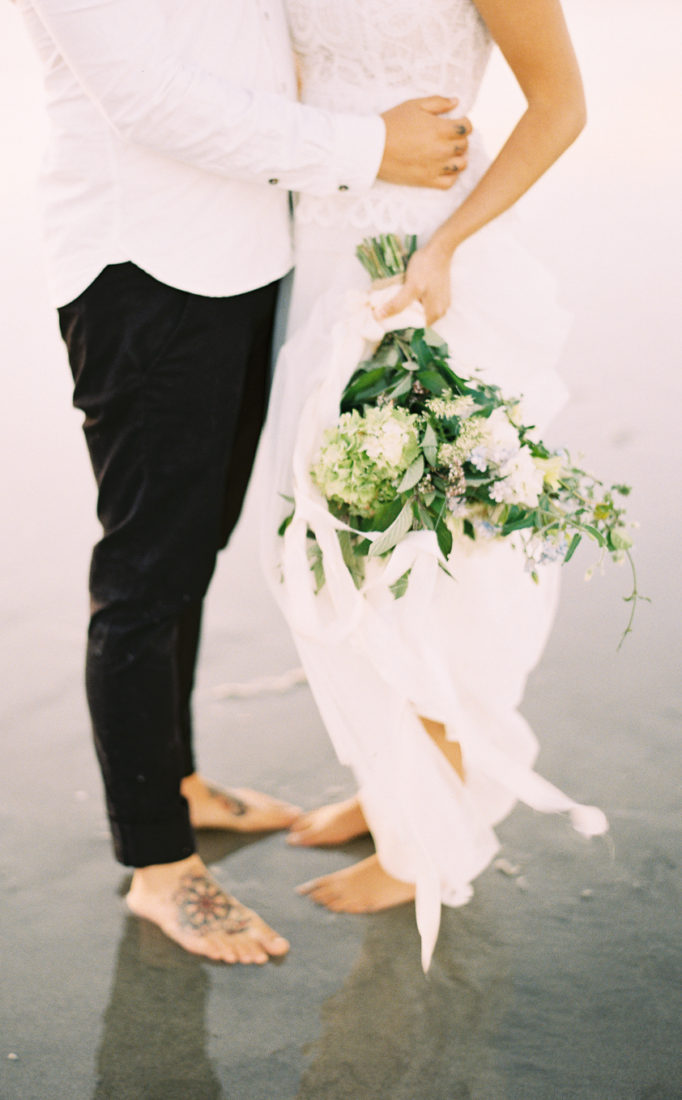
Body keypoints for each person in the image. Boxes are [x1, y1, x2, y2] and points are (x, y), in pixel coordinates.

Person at [14, 0, 473, 965]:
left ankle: (172, 780)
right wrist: (368, 146)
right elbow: (149, 97)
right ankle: (160, 868)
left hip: (254, 253)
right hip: (142, 266)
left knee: (194, 547)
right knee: (146, 572)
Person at [259, 0, 608, 970]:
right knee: (329, 547)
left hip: (424, 264)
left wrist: (448, 244)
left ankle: (430, 841)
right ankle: (393, 790)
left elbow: (561, 104)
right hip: (322, 253)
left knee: (417, 551)